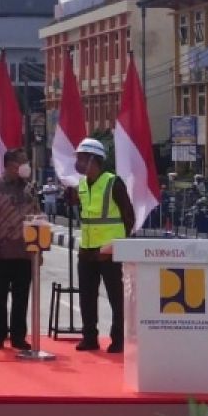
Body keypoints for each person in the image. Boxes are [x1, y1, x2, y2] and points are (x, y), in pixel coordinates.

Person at [72, 137, 135, 353]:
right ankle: (89, 337)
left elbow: (129, 217)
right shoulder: (81, 185)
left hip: (109, 251)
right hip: (87, 249)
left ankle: (118, 339)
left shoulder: (113, 182)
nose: (78, 163)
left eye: (81, 159)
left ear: (93, 160)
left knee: (116, 297)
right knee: (87, 297)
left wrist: (117, 246)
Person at [0, 148, 40, 351]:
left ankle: (18, 337)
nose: (26, 166)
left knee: (21, 298)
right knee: (0, 296)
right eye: (22, 162)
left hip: (25, 252)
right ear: (10, 165)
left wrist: (39, 249)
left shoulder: (29, 189)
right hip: (2, 252)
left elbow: (37, 218)